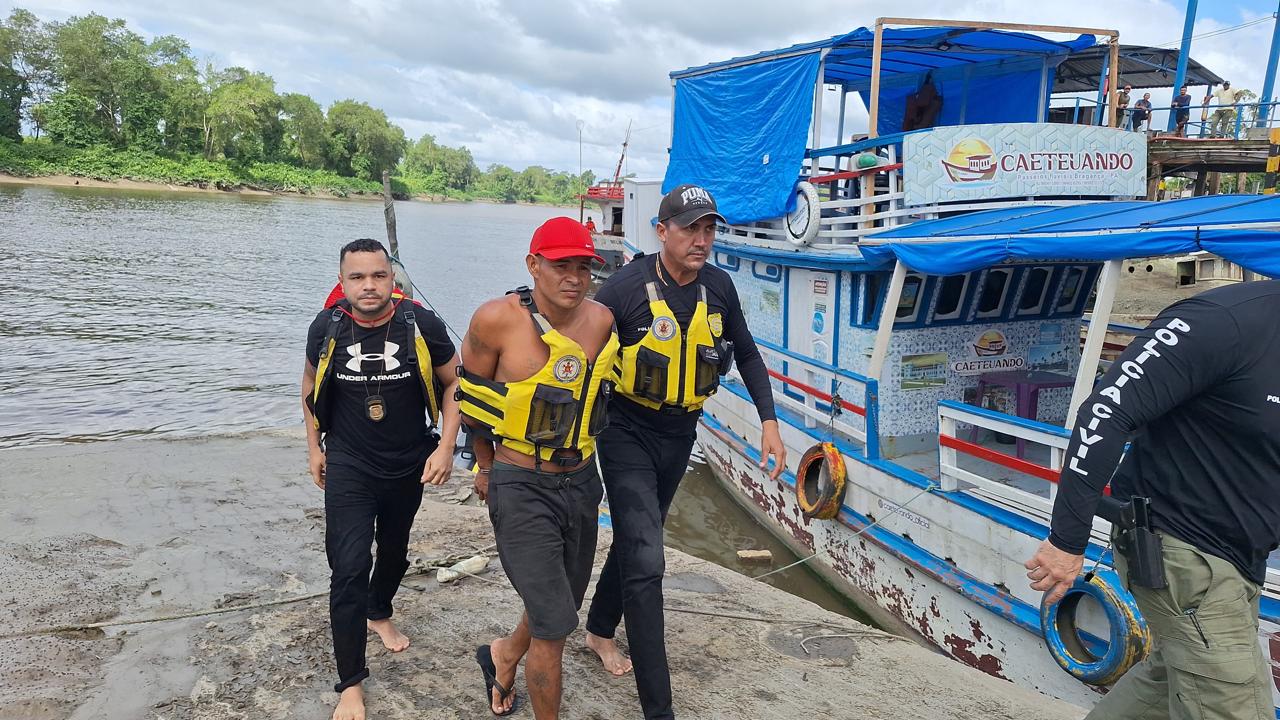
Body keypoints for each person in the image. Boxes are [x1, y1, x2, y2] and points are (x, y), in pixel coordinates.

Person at [1024, 280, 1280, 720]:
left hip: (1243, 557)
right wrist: (1067, 541)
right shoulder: (1225, 321)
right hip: (1184, 552)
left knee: (1168, 684)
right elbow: (1104, 412)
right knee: (1230, 699)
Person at [582, 184, 786, 720]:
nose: (701, 239)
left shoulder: (719, 287)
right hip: (626, 430)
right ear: (662, 231)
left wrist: (769, 422)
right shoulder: (623, 290)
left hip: (680, 433)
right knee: (648, 560)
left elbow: (747, 353)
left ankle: (599, 629)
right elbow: (578, 355)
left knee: (638, 537)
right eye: (690, 228)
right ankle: (659, 709)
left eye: (709, 229)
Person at [458, 216, 618, 718]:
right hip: (521, 482)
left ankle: (504, 654)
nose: (574, 277)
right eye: (561, 265)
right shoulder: (495, 320)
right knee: (554, 628)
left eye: (584, 267)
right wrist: (485, 469)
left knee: (561, 602)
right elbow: (472, 406)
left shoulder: (603, 321)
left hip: (581, 481)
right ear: (533, 265)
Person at [302, 238, 462, 720]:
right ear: (342, 281)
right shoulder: (327, 326)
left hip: (408, 461)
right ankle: (350, 682)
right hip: (349, 463)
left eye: (378, 276)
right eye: (357, 277)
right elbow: (309, 384)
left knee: (394, 549)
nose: (368, 286)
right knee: (349, 568)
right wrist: (314, 447)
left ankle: (380, 611)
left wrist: (445, 447)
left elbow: (455, 382)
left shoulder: (421, 324)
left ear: (393, 279)